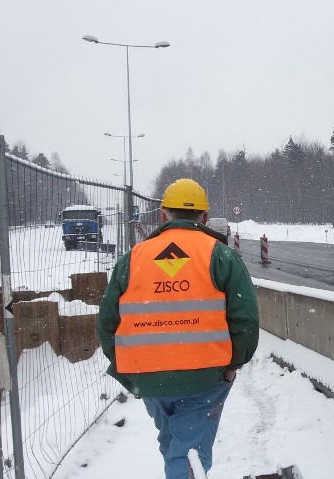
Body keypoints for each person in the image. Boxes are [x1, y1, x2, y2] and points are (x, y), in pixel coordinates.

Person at [98, 178, 259, 479]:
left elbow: (107, 322)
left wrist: (127, 369)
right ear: (206, 217)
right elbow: (245, 318)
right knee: (188, 452)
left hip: (150, 379)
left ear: (163, 215)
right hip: (206, 376)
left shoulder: (132, 260)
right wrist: (234, 362)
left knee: (174, 442)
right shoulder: (221, 256)